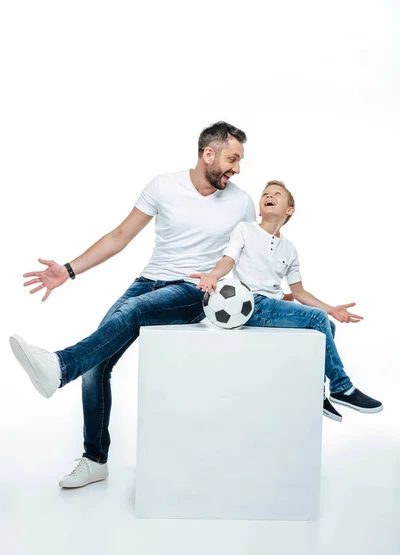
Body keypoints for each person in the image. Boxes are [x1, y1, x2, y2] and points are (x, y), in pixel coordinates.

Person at [9, 121, 257, 488]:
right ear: (209, 154)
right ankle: (95, 460)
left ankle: (60, 367)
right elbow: (120, 236)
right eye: (232, 159)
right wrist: (68, 270)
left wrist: (275, 296)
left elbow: (249, 254)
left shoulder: (241, 202)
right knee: (97, 362)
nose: (237, 169)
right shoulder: (163, 186)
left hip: (195, 291)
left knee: (132, 313)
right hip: (148, 280)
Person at [191, 180, 383, 422]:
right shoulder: (245, 230)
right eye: (265, 194)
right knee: (316, 318)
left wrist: (331, 309)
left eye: (277, 194)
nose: (269, 195)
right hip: (250, 304)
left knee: (327, 325)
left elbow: (299, 292)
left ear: (289, 210)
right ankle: (342, 387)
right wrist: (214, 275)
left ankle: (316, 390)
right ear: (260, 208)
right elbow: (228, 259)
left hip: (271, 305)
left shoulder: (289, 250)